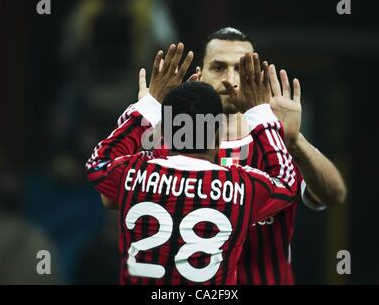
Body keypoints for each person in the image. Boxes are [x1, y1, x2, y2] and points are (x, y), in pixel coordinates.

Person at [138, 28, 347, 284]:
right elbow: (113, 199)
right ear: (200, 74)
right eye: (218, 67)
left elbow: (334, 194)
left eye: (241, 68)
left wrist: (294, 140)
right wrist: (149, 124)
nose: (230, 79)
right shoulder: (171, 144)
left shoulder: (276, 140)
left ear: (256, 77)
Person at [86, 43, 299, 284]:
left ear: (166, 129)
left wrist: (149, 106)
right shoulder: (240, 186)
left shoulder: (135, 171)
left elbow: (99, 162)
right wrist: (260, 112)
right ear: (217, 134)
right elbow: (287, 181)